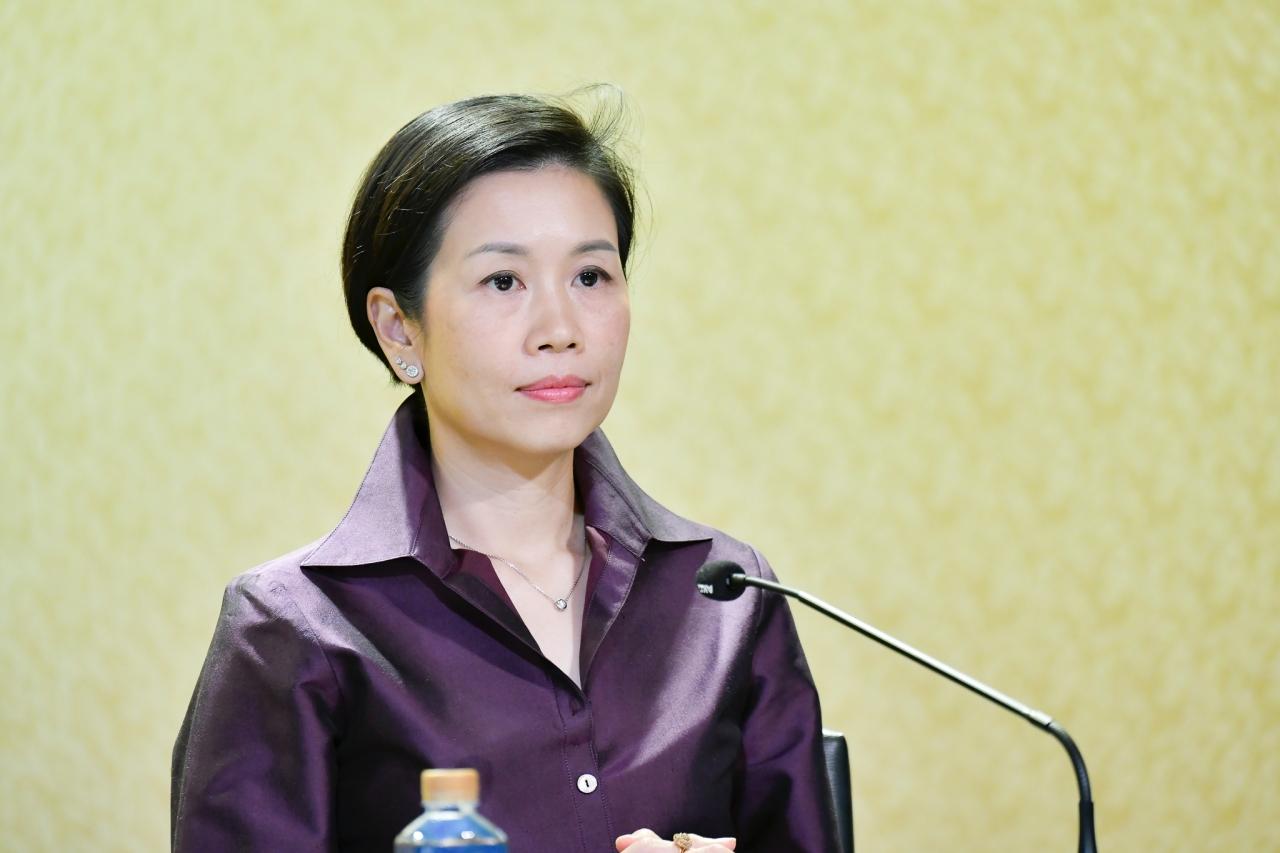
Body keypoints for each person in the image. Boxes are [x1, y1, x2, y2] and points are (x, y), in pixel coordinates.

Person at [170, 92, 839, 853]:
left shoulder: (724, 595)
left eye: (591, 276)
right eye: (503, 282)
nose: (560, 330)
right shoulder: (295, 626)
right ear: (399, 329)